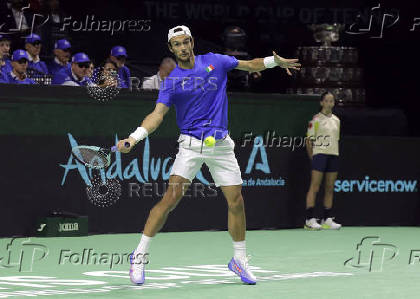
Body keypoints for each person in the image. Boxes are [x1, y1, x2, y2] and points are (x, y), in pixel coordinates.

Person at [116, 25, 300, 286]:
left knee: (236, 201)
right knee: (170, 199)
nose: (182, 47)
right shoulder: (171, 82)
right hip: (190, 146)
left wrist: (273, 62)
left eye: (185, 42)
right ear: (171, 49)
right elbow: (157, 115)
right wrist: (134, 138)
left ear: (192, 43)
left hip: (221, 145)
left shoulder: (215, 61)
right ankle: (138, 256)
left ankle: (239, 260)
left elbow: (249, 65)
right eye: (176, 44)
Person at [305, 91, 342, 230]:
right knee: (314, 187)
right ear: (321, 103)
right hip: (319, 155)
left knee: (329, 188)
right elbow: (308, 141)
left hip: (333, 155)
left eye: (331, 101)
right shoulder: (315, 120)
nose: (329, 103)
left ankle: (327, 219)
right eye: (326, 101)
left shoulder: (337, 120)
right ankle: (309, 219)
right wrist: (313, 157)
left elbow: (336, 139)